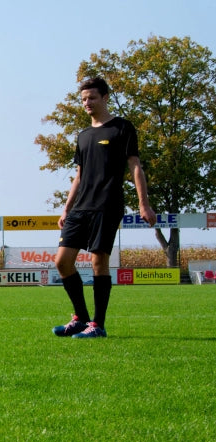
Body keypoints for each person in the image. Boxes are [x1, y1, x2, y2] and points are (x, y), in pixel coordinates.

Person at [52, 77, 156, 338]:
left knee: (99, 261)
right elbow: (79, 174)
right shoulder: (83, 135)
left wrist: (144, 204)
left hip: (107, 205)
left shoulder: (122, 128)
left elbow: (135, 166)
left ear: (105, 97)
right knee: (62, 262)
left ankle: (97, 325)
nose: (87, 103)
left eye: (92, 98)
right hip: (81, 208)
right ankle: (80, 318)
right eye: (84, 99)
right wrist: (66, 208)